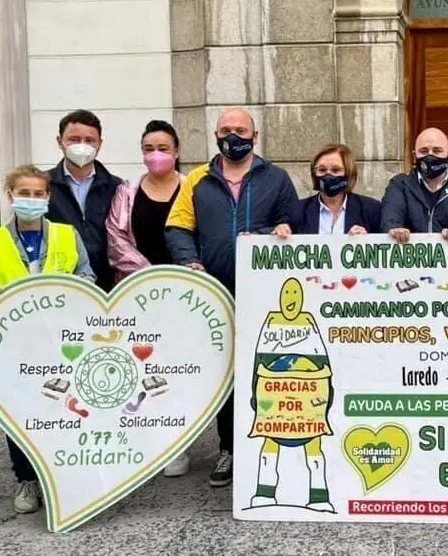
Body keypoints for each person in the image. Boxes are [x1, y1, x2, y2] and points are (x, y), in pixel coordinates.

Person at [166, 107, 298, 488]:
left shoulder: (276, 177)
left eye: (240, 129)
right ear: (216, 135)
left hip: (266, 295)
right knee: (226, 375)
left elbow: (295, 225)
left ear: (255, 136)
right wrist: (189, 260)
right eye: (226, 130)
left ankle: (273, 445)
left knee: (269, 369)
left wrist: (276, 231)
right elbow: (177, 226)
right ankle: (229, 449)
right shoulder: (197, 179)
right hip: (216, 292)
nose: (233, 135)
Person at [0, 165, 95, 514]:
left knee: (64, 408)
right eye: (24, 193)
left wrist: (79, 285)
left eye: (38, 194)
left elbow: (88, 275)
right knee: (20, 412)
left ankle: (63, 477)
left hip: (61, 342)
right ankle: (27, 480)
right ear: (10, 196)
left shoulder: (68, 235)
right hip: (16, 346)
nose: (31, 199)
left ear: (48, 197)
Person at [106, 120, 189, 477]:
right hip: (138, 293)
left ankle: (178, 444)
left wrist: (178, 275)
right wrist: (149, 275)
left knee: (180, 367)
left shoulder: (193, 187)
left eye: (163, 148)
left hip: (186, 293)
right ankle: (147, 442)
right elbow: (115, 236)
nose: (155, 155)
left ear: (176, 152)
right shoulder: (127, 191)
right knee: (143, 368)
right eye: (148, 149)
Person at [47, 110, 121, 292]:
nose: (82, 146)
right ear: (60, 142)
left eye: (89, 140)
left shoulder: (117, 187)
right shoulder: (42, 186)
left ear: (100, 144)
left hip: (107, 288)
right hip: (59, 286)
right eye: (74, 139)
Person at [380, 127, 448, 242]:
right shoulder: (400, 184)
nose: (430, 156)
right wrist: (394, 229)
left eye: (437, 151)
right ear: (414, 155)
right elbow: (389, 215)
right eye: (424, 151)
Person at [290, 143, 381, 235]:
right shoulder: (297, 210)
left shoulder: (371, 209)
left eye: (335, 170)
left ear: (348, 173)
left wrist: (367, 241)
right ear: (314, 174)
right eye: (322, 170)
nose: (328, 175)